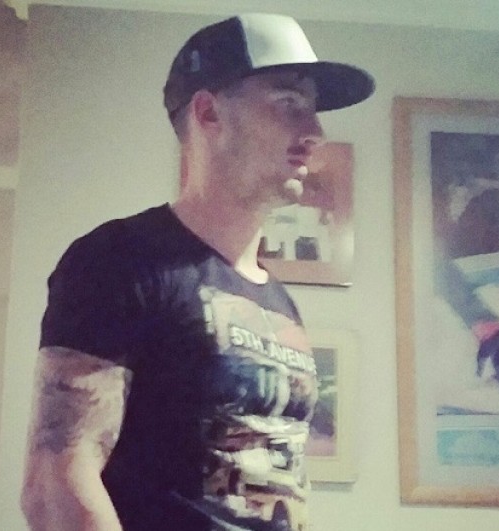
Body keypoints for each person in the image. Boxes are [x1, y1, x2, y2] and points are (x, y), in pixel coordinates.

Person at [20, 13, 374, 531]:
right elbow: (55, 485)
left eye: (313, 110)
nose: (315, 132)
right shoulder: (120, 260)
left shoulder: (280, 303)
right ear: (208, 113)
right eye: (289, 103)